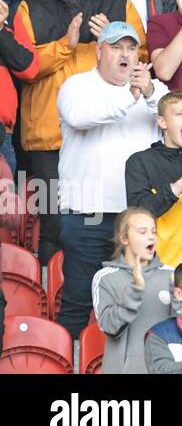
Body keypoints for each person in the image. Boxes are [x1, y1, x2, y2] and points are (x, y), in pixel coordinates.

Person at [13, 0, 144, 264]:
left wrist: (111, 44)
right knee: (55, 227)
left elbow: (142, 61)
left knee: (112, 228)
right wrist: (65, 47)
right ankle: (54, 308)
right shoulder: (30, 7)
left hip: (107, 132)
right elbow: (24, 68)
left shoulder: (119, 7)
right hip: (49, 137)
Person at [56, 19, 168, 337]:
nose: (125, 54)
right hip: (87, 216)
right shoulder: (76, 85)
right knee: (79, 302)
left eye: (131, 48)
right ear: (99, 51)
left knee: (143, 305)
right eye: (117, 47)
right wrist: (131, 96)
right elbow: (81, 117)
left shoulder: (152, 91)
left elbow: (179, 120)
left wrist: (146, 93)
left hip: (136, 219)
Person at [123, 90, 182, 265]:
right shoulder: (140, 162)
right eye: (179, 114)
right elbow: (140, 213)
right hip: (154, 266)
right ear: (162, 122)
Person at [90, 207, 174, 374]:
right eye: (142, 232)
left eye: (153, 232)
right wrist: (136, 289)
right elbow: (110, 328)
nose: (151, 236)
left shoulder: (171, 275)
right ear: (124, 238)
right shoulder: (105, 277)